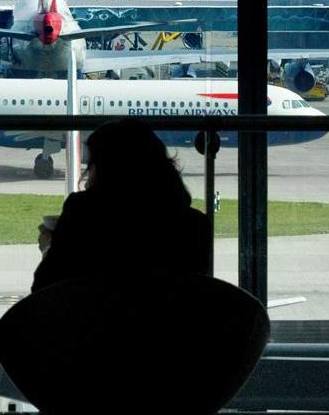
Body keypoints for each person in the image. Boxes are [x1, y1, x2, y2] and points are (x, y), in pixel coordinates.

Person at [32, 119, 209, 292]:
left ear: (105, 170)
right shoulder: (195, 225)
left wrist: (49, 247)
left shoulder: (82, 212)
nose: (86, 181)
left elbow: (44, 289)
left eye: (92, 165)